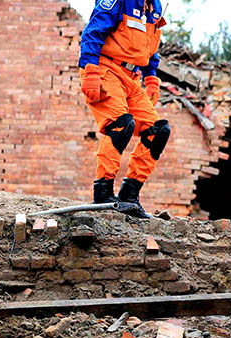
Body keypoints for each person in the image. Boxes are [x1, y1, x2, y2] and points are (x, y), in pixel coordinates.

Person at [78, 0, 171, 219]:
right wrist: (90, 71)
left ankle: (129, 197)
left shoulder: (154, 6)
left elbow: (149, 49)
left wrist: (151, 79)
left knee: (158, 131)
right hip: (105, 68)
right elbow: (93, 31)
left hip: (132, 77)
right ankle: (102, 194)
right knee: (121, 124)